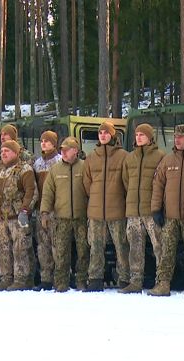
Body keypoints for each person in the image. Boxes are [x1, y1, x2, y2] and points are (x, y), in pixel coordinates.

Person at [148, 124, 184, 297]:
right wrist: (156, 209)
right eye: (175, 137)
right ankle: (163, 283)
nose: (176, 140)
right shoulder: (168, 160)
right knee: (166, 251)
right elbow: (158, 185)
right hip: (169, 216)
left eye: (181, 137)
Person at [83, 121, 130, 292]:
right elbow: (87, 184)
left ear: (112, 135)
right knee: (95, 246)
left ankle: (125, 278)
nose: (102, 135)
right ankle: (95, 279)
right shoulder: (91, 157)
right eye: (100, 133)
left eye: (106, 132)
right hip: (95, 211)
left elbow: (127, 183)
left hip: (117, 210)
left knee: (122, 246)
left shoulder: (123, 156)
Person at [0, 139, 38, 291]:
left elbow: (32, 192)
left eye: (7, 151)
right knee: (2, 248)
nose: (3, 154)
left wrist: (25, 211)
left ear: (15, 153)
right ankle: (6, 278)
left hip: (17, 218)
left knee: (20, 248)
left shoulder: (24, 169)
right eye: (2, 151)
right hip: (1, 218)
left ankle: (22, 279)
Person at [40, 137, 90, 292]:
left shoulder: (84, 167)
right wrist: (44, 212)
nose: (63, 152)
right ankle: (61, 282)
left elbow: (91, 190)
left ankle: (81, 280)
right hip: (61, 218)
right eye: (62, 150)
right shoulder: (55, 169)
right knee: (61, 252)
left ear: (75, 150)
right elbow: (48, 193)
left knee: (83, 251)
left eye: (66, 149)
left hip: (82, 217)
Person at [120, 123, 165, 293]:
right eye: (137, 134)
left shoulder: (160, 156)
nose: (138, 137)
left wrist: (158, 207)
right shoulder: (130, 158)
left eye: (142, 135)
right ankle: (135, 281)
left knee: (159, 247)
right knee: (134, 248)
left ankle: (161, 280)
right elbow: (126, 182)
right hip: (133, 211)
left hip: (151, 210)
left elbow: (162, 183)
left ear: (150, 137)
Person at [31, 131, 62, 290]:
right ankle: (46, 278)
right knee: (42, 247)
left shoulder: (59, 161)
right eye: (41, 141)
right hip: (40, 210)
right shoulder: (37, 163)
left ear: (54, 143)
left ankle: (60, 277)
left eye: (47, 141)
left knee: (58, 246)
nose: (43, 143)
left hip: (56, 210)